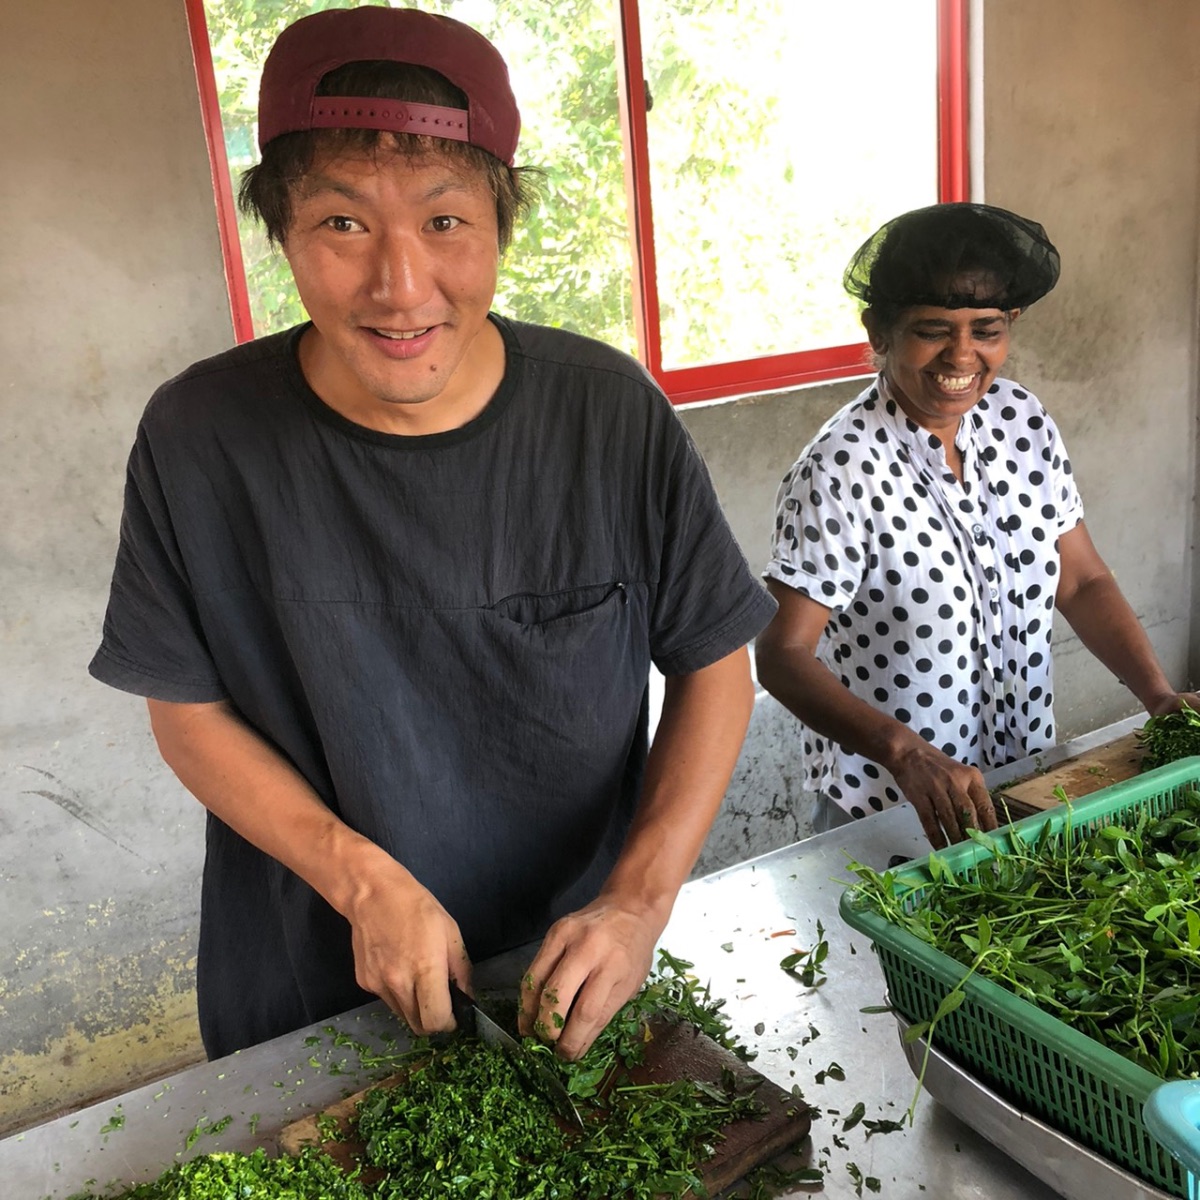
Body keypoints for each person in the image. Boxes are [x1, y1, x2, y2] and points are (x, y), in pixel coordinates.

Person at [88, 6, 775, 1062]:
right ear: (283, 233)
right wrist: (361, 880)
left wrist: (638, 902)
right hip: (307, 983)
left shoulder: (608, 416)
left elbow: (715, 666)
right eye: (343, 224)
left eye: (445, 222)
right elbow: (187, 712)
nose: (399, 287)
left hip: (572, 982)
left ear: (501, 224)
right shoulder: (200, 438)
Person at [756, 202, 1197, 849]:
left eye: (986, 330)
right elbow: (782, 655)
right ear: (880, 329)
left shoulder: (1022, 421)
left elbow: (1080, 580)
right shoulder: (841, 467)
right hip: (892, 802)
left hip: (1021, 780)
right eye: (933, 330)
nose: (961, 355)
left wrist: (1159, 697)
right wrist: (904, 752)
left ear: (1010, 325)